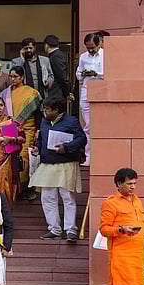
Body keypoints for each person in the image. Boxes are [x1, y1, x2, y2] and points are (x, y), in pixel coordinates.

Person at [99, 168, 144, 285]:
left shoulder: (138, 202)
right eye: (129, 183)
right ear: (118, 184)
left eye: (134, 183)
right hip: (121, 254)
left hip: (137, 254)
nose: (133, 187)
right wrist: (121, 229)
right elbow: (104, 229)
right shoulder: (111, 204)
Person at [30, 96, 87, 243]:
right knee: (47, 198)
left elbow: (82, 139)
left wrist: (66, 147)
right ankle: (54, 229)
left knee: (67, 197)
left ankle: (70, 230)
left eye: (47, 109)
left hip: (66, 163)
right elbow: (41, 139)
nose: (44, 111)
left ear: (56, 110)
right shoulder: (44, 121)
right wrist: (38, 148)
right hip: (48, 163)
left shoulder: (71, 121)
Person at [0, 66, 42, 201]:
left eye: (16, 77)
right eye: (11, 77)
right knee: (9, 159)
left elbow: (37, 112)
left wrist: (36, 130)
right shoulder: (5, 93)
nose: (13, 79)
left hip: (26, 130)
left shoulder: (32, 93)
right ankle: (11, 189)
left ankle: (24, 189)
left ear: (22, 77)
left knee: (24, 159)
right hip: (9, 130)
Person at [76, 32, 104, 166]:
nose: (91, 50)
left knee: (100, 125)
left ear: (100, 43)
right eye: (88, 47)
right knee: (88, 126)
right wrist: (83, 73)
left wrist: (96, 74)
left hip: (101, 92)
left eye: (93, 47)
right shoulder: (83, 57)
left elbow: (110, 73)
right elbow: (78, 75)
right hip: (86, 91)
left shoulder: (106, 55)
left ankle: (100, 154)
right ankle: (88, 156)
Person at [43, 35, 71, 101]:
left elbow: (62, 76)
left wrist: (67, 93)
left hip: (56, 92)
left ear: (46, 45)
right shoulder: (57, 55)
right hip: (56, 92)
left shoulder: (56, 56)